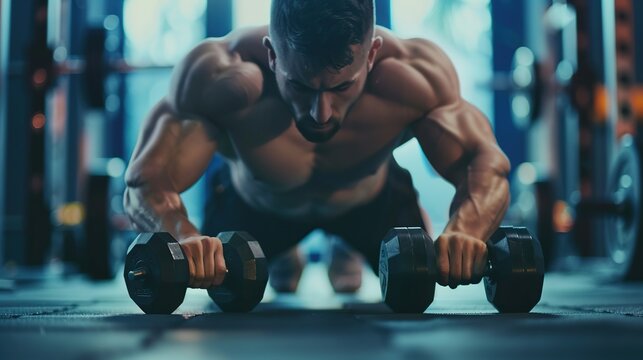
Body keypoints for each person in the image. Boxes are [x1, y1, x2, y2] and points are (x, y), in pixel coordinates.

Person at [123, 0, 510, 294]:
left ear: (371, 54)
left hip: (369, 200)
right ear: (272, 54)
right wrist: (184, 235)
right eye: (300, 85)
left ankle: (347, 247)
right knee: (240, 285)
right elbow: (146, 182)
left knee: (416, 282)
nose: (320, 113)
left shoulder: (413, 75)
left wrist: (467, 230)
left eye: (342, 87)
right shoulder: (220, 74)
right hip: (258, 206)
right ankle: (286, 256)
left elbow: (485, 162)